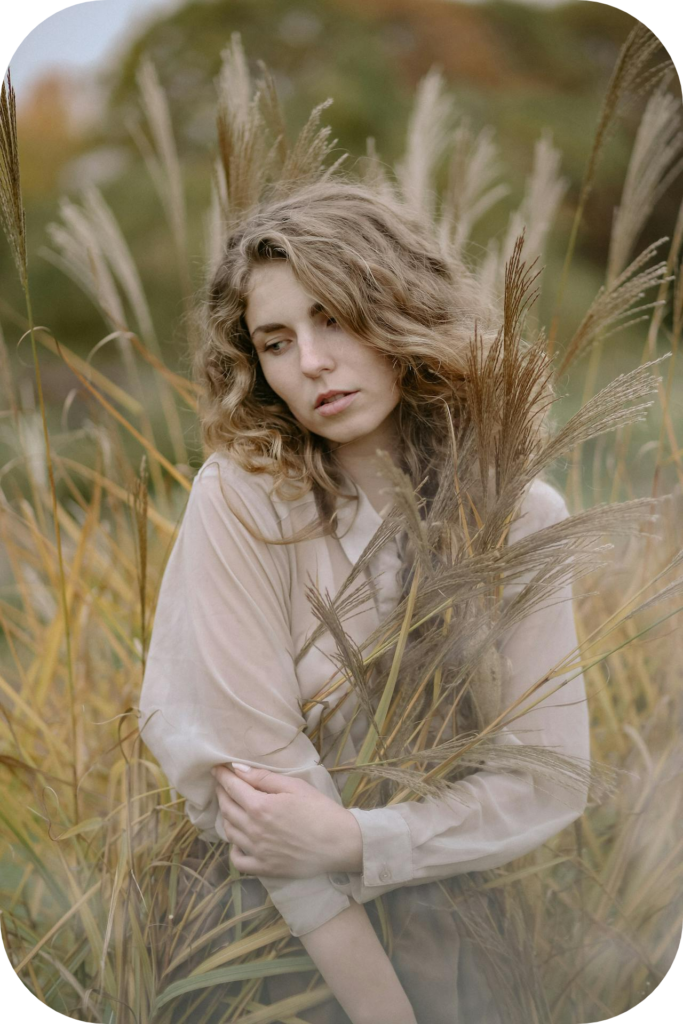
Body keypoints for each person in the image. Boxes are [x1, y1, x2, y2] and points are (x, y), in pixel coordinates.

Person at [139, 178, 590, 1023]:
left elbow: (548, 779)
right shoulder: (243, 499)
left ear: (401, 312)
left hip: (462, 932)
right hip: (267, 944)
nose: (309, 363)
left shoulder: (522, 519)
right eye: (275, 342)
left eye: (333, 319)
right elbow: (259, 788)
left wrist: (359, 840)